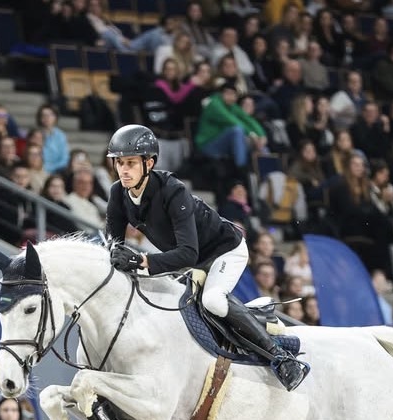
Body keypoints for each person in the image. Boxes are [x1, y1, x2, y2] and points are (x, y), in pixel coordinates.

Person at [104, 124, 308, 390]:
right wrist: (118, 256)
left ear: (149, 163)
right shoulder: (117, 193)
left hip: (224, 250)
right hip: (190, 260)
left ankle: (281, 358)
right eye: (119, 163)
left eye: (131, 163)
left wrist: (143, 262)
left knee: (212, 300)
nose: (124, 170)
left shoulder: (172, 190)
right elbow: (114, 243)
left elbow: (189, 253)